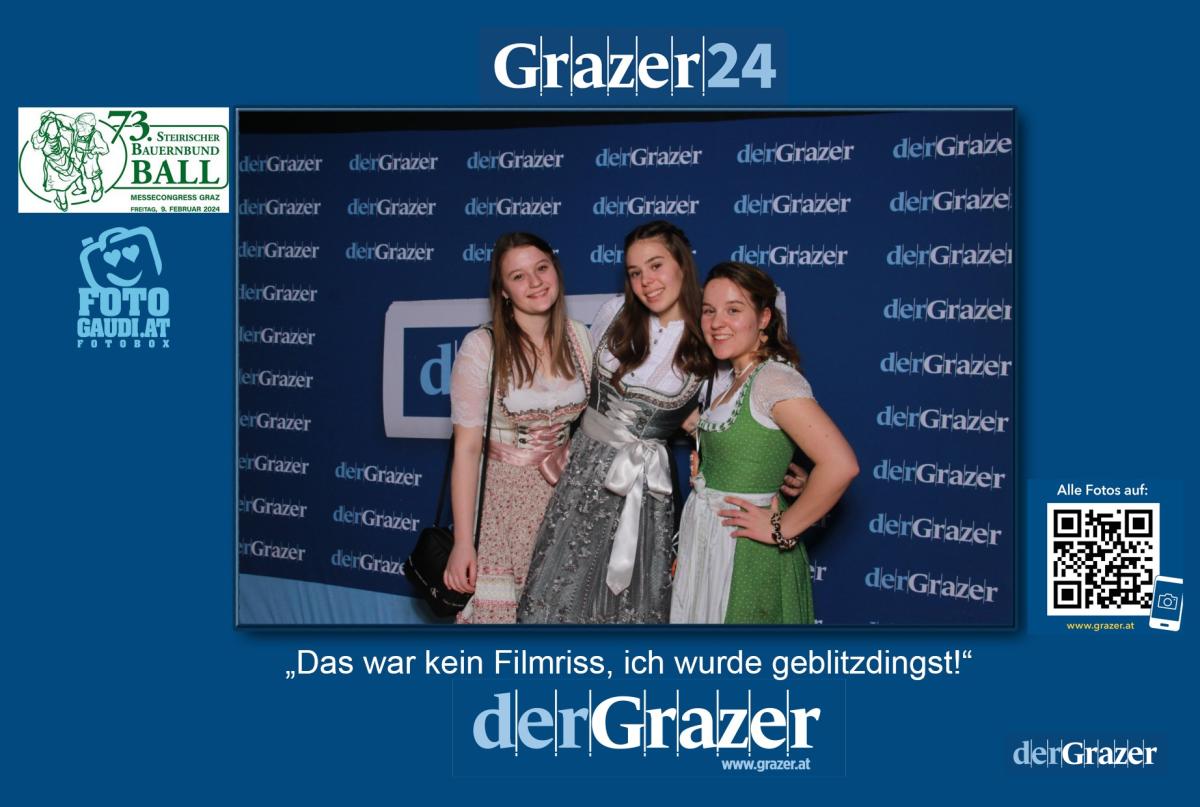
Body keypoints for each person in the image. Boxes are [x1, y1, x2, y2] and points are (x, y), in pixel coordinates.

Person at [518, 220, 713, 624]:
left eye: (656, 266)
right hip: (580, 477)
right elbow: (576, 390)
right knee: (555, 595)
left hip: (643, 490)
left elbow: (725, 420)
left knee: (622, 609)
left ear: (682, 264)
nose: (646, 282)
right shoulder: (614, 313)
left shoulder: (709, 340)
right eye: (635, 272)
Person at [670, 262, 859, 624]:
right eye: (709, 310)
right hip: (712, 541)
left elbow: (841, 465)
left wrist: (781, 529)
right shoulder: (736, 377)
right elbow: (747, 442)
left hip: (743, 551)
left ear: (764, 318)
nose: (716, 322)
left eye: (733, 310)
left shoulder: (773, 379)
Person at [443, 232, 592, 623]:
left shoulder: (579, 337)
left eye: (542, 268)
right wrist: (463, 542)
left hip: (567, 500)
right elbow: (467, 450)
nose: (535, 282)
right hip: (503, 506)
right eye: (518, 276)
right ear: (504, 291)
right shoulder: (482, 346)